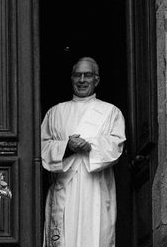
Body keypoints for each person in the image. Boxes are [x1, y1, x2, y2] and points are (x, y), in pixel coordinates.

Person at [41, 57, 126, 247]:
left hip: (96, 187)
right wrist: (66, 147)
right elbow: (42, 146)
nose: (82, 80)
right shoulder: (55, 112)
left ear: (96, 80)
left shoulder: (111, 112)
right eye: (77, 75)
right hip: (65, 187)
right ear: (71, 79)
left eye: (87, 75)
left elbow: (116, 145)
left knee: (95, 234)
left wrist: (90, 146)